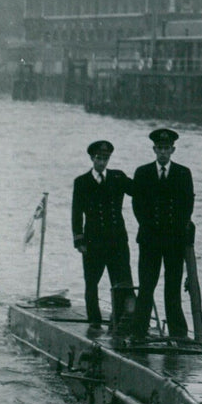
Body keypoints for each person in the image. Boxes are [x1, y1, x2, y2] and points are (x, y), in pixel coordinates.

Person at [130, 127, 195, 340]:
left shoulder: (183, 173)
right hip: (150, 240)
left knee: (173, 288)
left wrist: (175, 231)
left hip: (173, 241)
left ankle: (178, 332)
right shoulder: (143, 173)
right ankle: (139, 331)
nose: (163, 152)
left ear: (173, 150)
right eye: (160, 148)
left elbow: (187, 206)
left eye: (167, 148)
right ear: (154, 149)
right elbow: (137, 205)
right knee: (147, 286)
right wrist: (150, 228)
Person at [71, 140, 134, 333]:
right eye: (98, 158)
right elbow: (76, 212)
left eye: (105, 158)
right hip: (93, 242)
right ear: (92, 158)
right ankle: (94, 320)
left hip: (117, 241)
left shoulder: (118, 177)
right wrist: (79, 239)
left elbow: (139, 191)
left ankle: (119, 320)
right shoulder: (82, 182)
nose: (102, 162)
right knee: (92, 282)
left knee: (121, 281)